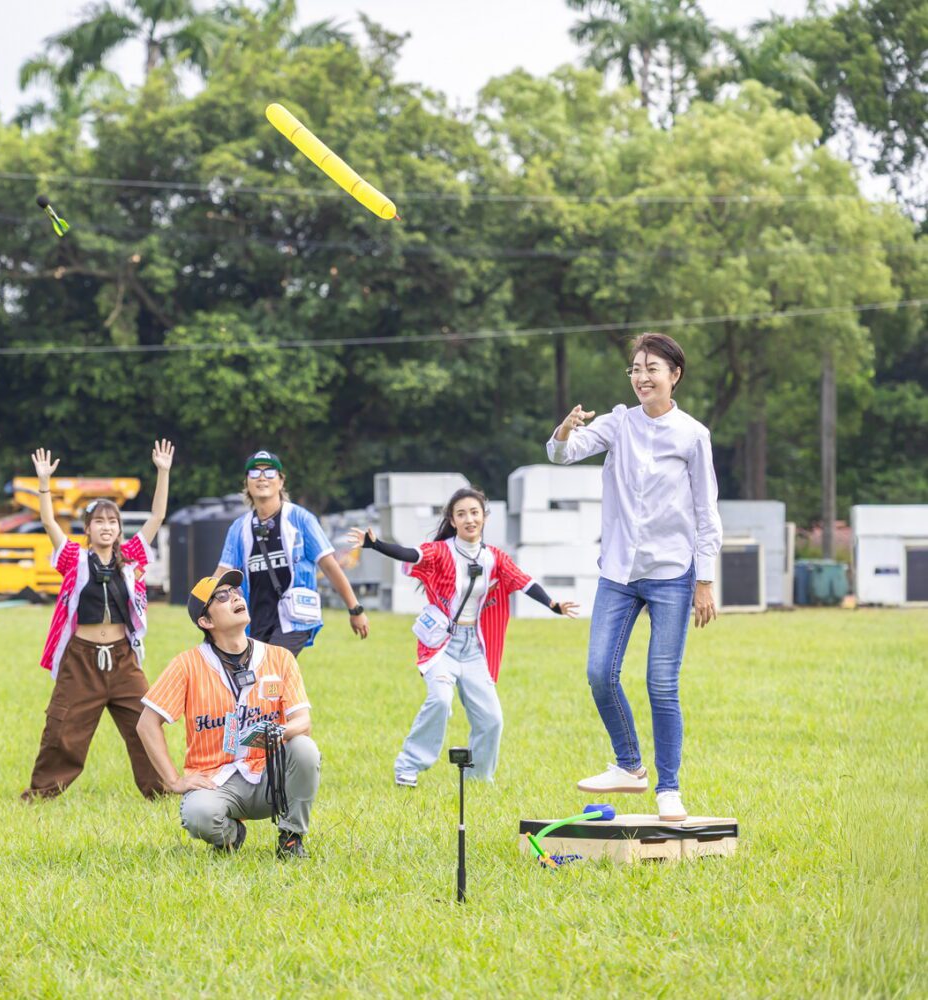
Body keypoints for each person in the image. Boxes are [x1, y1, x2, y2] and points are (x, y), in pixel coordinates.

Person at [547, 332, 721, 822]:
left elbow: (707, 512)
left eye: (652, 369)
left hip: (671, 573)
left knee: (661, 684)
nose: (642, 377)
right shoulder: (618, 423)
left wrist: (704, 580)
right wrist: (564, 430)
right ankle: (629, 766)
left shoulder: (693, 435)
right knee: (600, 672)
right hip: (619, 573)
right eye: (636, 369)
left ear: (675, 376)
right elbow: (561, 454)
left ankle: (670, 787)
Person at [347, 487, 580, 787]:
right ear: (452, 521)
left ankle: (478, 778)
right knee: (441, 700)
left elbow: (524, 582)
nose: (469, 519)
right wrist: (376, 544)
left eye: (475, 512)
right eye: (461, 514)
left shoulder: (494, 557)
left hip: (474, 648)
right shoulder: (441, 551)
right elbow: (411, 554)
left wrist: (553, 605)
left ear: (484, 517)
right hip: (442, 644)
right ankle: (408, 765)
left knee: (492, 718)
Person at [22, 441, 174, 800]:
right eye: (98, 522)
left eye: (112, 522)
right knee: (63, 729)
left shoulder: (131, 557)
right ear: (87, 529)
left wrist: (162, 471)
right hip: (81, 659)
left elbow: (156, 517)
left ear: (119, 530)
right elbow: (47, 521)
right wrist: (44, 484)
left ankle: (162, 789)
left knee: (144, 723)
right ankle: (42, 792)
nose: (106, 527)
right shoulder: (73, 558)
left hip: (123, 658)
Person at [136, 571, 319, 859]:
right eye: (221, 596)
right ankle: (232, 835)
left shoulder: (279, 657)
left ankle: (291, 837)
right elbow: (147, 723)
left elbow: (303, 722)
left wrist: (272, 734)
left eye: (235, 591)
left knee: (305, 749)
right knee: (198, 816)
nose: (234, 596)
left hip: (269, 778)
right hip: (215, 780)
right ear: (206, 622)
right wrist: (173, 781)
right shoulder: (187, 665)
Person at [215, 450, 368, 658]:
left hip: (295, 617)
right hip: (255, 619)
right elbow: (223, 573)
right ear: (247, 483)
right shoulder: (239, 528)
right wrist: (201, 602)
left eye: (269, 472)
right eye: (254, 473)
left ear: (280, 481)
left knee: (272, 668)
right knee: (260, 682)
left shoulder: (300, 519)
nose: (261, 477)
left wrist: (355, 609)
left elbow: (329, 566)